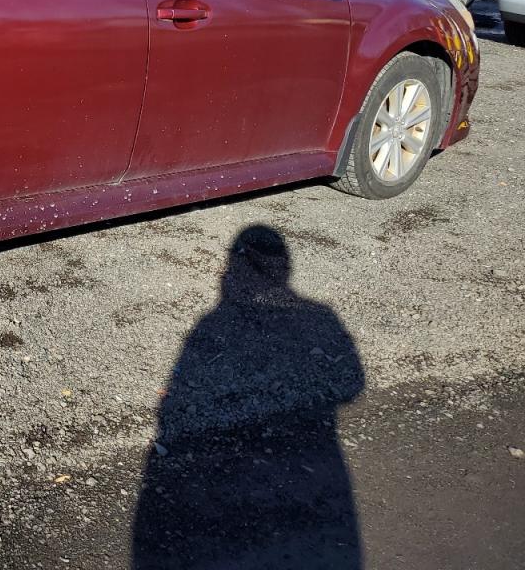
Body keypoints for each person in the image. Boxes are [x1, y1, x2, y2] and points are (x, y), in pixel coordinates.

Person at [131, 224, 365, 569]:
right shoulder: (317, 315)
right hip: (314, 463)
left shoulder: (214, 320)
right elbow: (352, 384)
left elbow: (351, 384)